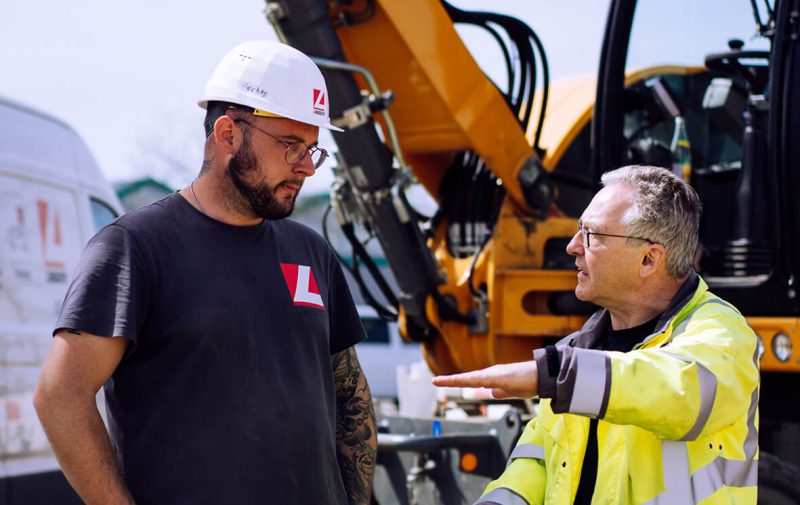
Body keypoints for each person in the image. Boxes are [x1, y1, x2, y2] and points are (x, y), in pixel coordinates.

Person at [33, 40, 377, 505]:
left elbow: (350, 396)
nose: (305, 168)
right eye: (291, 145)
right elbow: (61, 398)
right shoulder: (136, 247)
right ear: (228, 133)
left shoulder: (310, 251)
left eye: (313, 150)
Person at [434, 165, 760, 504]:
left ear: (649, 259)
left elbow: (675, 391)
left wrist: (553, 374)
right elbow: (540, 458)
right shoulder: (577, 351)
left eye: (592, 234)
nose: (573, 246)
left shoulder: (723, 334)